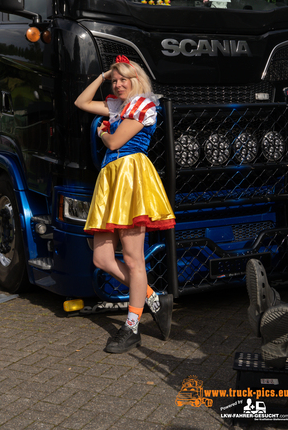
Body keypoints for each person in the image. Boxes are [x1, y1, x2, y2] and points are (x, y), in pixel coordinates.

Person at [74, 55, 176, 354]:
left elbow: (115, 142)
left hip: (130, 176)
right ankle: (154, 298)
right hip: (110, 178)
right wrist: (103, 75)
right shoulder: (118, 106)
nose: (118, 85)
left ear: (136, 80)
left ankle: (131, 326)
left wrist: (102, 131)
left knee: (133, 258)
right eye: (115, 80)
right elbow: (81, 102)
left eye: (123, 79)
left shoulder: (143, 105)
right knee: (102, 258)